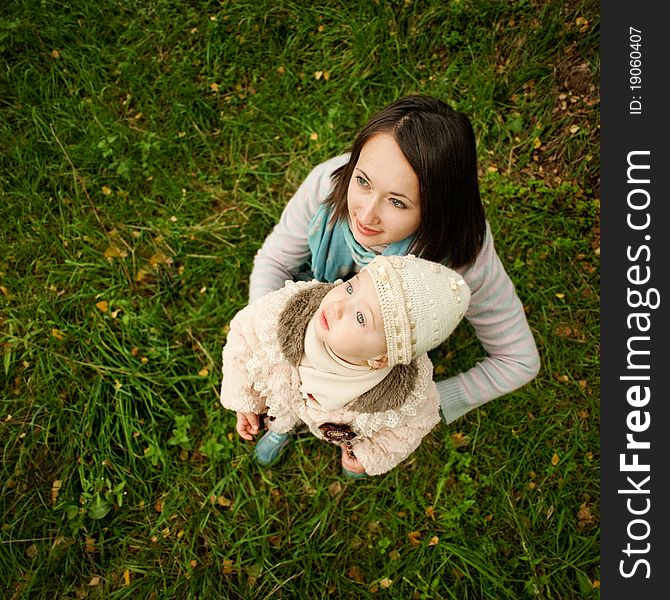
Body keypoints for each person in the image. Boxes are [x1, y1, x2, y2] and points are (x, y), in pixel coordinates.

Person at [246, 94, 540, 462]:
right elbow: (275, 260)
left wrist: (420, 410)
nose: (366, 215)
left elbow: (518, 360)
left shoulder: (463, 259)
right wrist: (267, 353)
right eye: (364, 181)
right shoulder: (329, 184)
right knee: (285, 386)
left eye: (398, 202)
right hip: (311, 319)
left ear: (437, 210)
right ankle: (283, 420)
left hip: (374, 363)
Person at [220, 255, 471, 477]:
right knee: (283, 408)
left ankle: (344, 452)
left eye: (361, 317)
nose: (338, 306)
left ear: (381, 359)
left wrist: (367, 454)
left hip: (332, 418)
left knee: (357, 444)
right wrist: (247, 399)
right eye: (351, 288)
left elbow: (411, 428)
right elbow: (243, 336)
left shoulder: (404, 396)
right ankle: (279, 427)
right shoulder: (286, 311)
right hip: (284, 395)